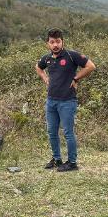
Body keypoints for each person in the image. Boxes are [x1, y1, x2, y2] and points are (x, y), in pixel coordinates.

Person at [35, 28, 96, 171]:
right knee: (52, 132)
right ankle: (57, 159)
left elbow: (91, 66)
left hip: (67, 101)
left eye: (58, 41)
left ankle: (72, 162)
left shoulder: (71, 55)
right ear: (48, 44)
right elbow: (38, 67)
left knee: (68, 132)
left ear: (62, 42)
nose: (55, 45)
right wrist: (44, 77)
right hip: (51, 101)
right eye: (52, 42)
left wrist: (76, 78)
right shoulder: (47, 58)